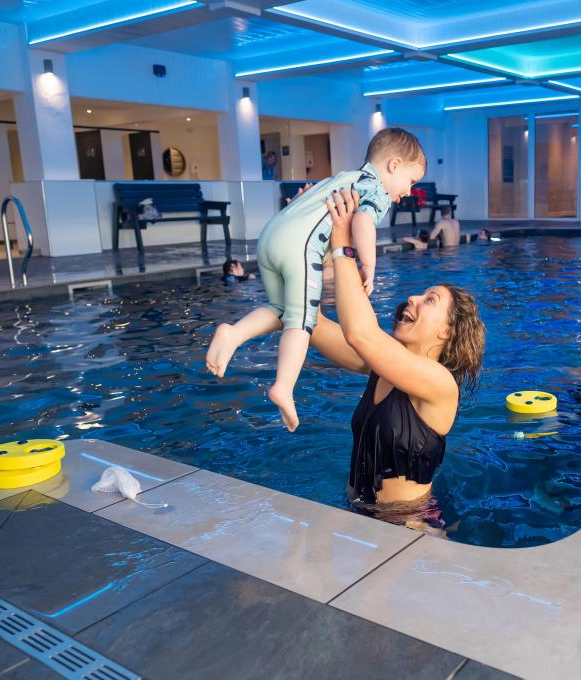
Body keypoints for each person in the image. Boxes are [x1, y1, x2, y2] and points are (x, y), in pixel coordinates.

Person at [206, 128, 427, 432]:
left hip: (270, 237)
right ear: (394, 165)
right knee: (302, 321)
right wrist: (370, 264)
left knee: (282, 309)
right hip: (300, 246)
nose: (408, 191)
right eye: (411, 181)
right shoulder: (376, 189)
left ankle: (233, 334)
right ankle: (283, 386)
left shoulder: (342, 177)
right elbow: (363, 221)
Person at [309, 186, 485, 506]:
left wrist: (342, 241)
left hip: (406, 529)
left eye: (429, 300)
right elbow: (312, 323)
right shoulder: (382, 363)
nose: (413, 298)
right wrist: (308, 228)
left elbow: (360, 333)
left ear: (447, 332)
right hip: (354, 512)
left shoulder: (439, 383)